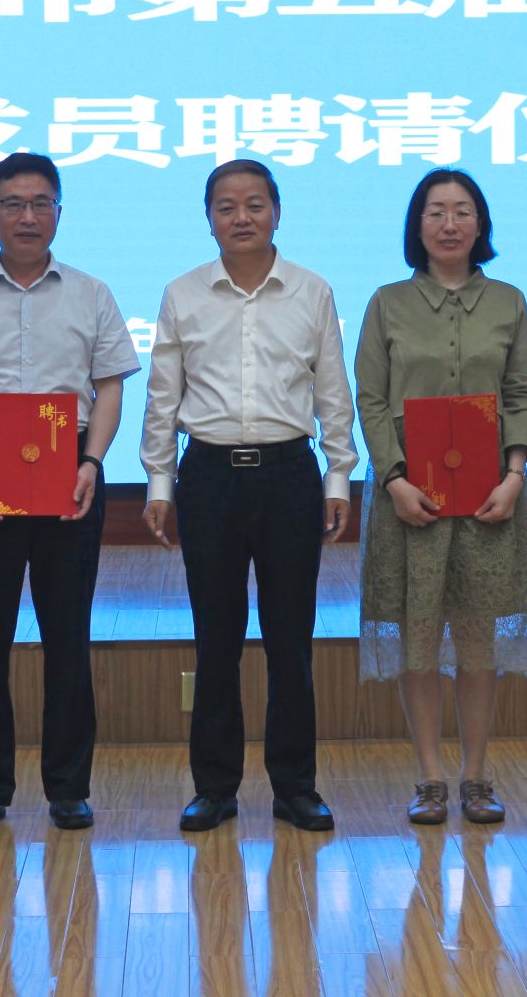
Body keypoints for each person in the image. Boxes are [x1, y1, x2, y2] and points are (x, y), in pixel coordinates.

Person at [0, 153, 141, 833]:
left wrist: (93, 461)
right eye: (12, 204)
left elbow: (109, 385)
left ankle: (68, 786)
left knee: (67, 636)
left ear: (59, 214)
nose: (27, 216)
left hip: (70, 471)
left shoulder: (91, 293)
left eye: (41, 203)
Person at [142, 158, 358, 833]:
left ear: (277, 212)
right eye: (227, 206)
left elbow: (333, 392)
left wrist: (338, 475)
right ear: (208, 218)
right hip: (208, 476)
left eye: (255, 204)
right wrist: (159, 481)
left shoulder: (311, 290)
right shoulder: (183, 293)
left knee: (291, 640)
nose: (242, 217)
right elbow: (163, 396)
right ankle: (214, 788)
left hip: (289, 474)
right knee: (216, 639)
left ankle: (296, 787)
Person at [353, 169, 527, 826]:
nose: (449, 223)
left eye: (462, 211)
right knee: (418, 638)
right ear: (417, 225)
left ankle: (477, 775)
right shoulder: (387, 303)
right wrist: (395, 481)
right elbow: (371, 400)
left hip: (492, 496)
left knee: (476, 640)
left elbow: (520, 393)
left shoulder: (510, 301)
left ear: (480, 224)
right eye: (435, 211)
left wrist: (514, 475)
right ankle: (430, 776)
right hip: (410, 499)